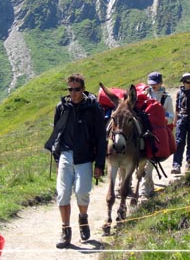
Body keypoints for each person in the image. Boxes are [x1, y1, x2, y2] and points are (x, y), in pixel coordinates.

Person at [45, 73, 107, 249]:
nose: (73, 93)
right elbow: (57, 133)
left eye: (77, 89)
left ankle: (83, 218)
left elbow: (101, 137)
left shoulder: (93, 109)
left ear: (83, 89)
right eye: (70, 89)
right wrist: (57, 157)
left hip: (85, 157)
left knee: (82, 192)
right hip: (66, 154)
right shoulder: (62, 107)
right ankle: (65, 231)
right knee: (62, 194)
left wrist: (100, 164)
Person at [138, 71, 174, 199]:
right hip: (144, 132)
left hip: (157, 133)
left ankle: (143, 191)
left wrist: (161, 118)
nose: (153, 86)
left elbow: (171, 116)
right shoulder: (143, 95)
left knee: (149, 163)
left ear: (160, 83)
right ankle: (149, 186)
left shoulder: (166, 98)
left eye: (155, 84)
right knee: (143, 162)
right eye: (151, 84)